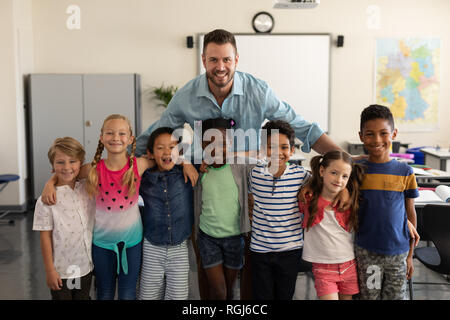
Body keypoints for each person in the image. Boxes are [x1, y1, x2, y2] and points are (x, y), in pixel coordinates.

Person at [135, 28, 342, 162]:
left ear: (236, 60)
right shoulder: (186, 96)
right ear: (203, 60)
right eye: (214, 60)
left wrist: (343, 159)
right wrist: (119, 163)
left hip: (251, 177)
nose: (220, 67)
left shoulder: (259, 91)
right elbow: (157, 134)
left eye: (226, 59)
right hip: (207, 178)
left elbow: (303, 128)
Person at [355, 104, 419, 300]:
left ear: (394, 133)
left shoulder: (405, 172)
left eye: (383, 133)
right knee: (369, 297)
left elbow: (410, 213)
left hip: (398, 255)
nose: (377, 140)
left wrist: (409, 256)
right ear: (361, 136)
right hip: (367, 253)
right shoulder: (356, 171)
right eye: (370, 134)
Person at [193, 117, 255, 300]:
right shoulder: (199, 170)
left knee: (229, 289)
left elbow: (269, 165)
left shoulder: (241, 166)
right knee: (219, 291)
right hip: (207, 238)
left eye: (224, 142)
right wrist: (191, 165)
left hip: (234, 238)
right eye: (211, 143)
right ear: (203, 145)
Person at [248, 120, 309, 300]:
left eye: (284, 147)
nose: (277, 153)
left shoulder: (301, 175)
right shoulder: (254, 173)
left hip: (290, 250)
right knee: (261, 296)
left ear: (292, 150)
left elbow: (320, 180)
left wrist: (308, 187)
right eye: (271, 147)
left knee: (285, 295)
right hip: (260, 251)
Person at [33, 137, 94, 300]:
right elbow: (45, 236)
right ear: (52, 166)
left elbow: (101, 166)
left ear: (80, 163)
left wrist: (51, 181)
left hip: (85, 266)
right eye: (60, 162)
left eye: (72, 161)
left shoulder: (86, 189)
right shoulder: (46, 200)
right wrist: (50, 270)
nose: (67, 167)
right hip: (62, 270)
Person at [138, 127, 194, 300]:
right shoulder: (144, 177)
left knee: (178, 296)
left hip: (179, 247)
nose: (167, 151)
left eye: (172, 147)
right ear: (150, 153)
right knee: (148, 295)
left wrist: (185, 162)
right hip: (152, 246)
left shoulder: (186, 173)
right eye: (160, 148)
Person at [299, 150, 364, 300]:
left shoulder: (351, 201)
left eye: (344, 176)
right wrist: (309, 184)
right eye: (334, 173)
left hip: (349, 265)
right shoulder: (308, 198)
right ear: (322, 171)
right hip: (323, 269)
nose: (339, 180)